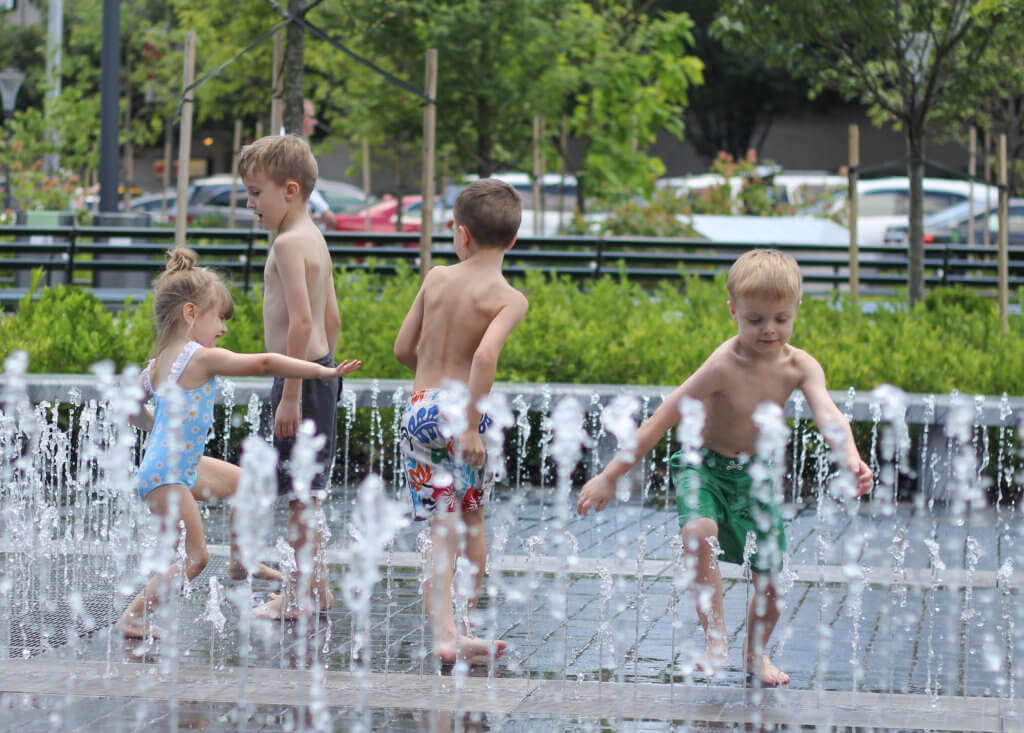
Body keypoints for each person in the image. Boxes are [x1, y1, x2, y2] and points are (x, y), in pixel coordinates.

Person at [576, 248, 873, 686]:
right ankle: (715, 638)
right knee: (698, 534)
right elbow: (662, 418)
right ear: (733, 311)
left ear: (796, 311)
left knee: (773, 577)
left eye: (780, 318)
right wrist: (609, 476)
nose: (769, 329)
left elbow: (828, 413)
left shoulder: (800, 366)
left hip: (755, 475)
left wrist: (849, 455)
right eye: (755, 320)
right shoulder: (722, 365)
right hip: (703, 467)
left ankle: (756, 653)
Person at [115, 247, 361, 639]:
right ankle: (132, 616)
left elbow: (127, 403)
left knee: (248, 484)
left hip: (174, 466)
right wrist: (318, 370)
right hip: (167, 476)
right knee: (194, 558)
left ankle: (239, 559)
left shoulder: (160, 361)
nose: (224, 329)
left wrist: (154, 428)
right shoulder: (197, 357)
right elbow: (263, 363)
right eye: (219, 318)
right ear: (191, 313)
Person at [393, 178, 529, 665]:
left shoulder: (436, 278)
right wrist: (469, 425)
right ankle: (467, 624)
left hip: (420, 409)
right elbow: (486, 355)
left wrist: (429, 393)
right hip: (462, 413)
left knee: (438, 527)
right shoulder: (509, 297)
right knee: (471, 518)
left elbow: (402, 349)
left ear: (462, 234)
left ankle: (446, 633)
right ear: (512, 240)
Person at [239, 134, 347, 620]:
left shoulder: (286, 244)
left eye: (255, 193)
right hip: (319, 373)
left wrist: (291, 395)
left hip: (299, 380)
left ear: (289, 189)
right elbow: (332, 319)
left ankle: (300, 596)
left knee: (301, 497)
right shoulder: (314, 237)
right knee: (308, 492)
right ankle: (316, 589)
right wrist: (322, 373)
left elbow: (303, 322)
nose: (249, 204)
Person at [301, 98, 337, 231]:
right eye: (311, 116)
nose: (315, 122)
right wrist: (324, 210)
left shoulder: (297, 141)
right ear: (300, 116)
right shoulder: (288, 143)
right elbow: (301, 180)